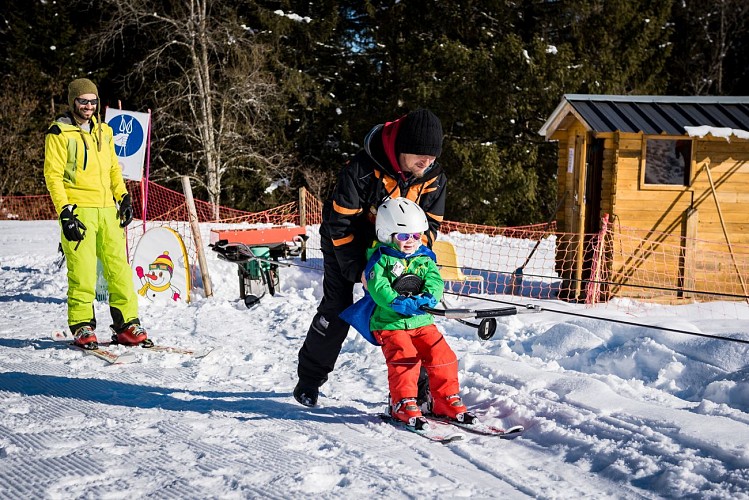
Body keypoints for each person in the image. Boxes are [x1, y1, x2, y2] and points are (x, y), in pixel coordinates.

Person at [295, 109, 447, 407]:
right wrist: (359, 270)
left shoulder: (434, 177)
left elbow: (431, 226)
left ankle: (417, 389)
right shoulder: (362, 169)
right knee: (337, 306)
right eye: (421, 155)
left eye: (432, 157)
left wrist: (415, 259)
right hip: (347, 241)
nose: (427, 163)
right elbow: (340, 224)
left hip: (402, 247)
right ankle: (310, 380)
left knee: (409, 312)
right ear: (403, 146)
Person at [44, 78, 150, 349]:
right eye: (83, 101)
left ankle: (127, 325)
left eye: (92, 101)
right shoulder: (59, 133)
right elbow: (53, 176)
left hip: (108, 211)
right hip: (79, 211)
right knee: (83, 271)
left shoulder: (104, 131)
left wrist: (123, 197)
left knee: (119, 269)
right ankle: (82, 326)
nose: (88, 106)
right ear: (73, 102)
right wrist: (65, 212)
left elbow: (114, 168)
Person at [360, 197, 475, 429]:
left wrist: (429, 296)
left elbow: (434, 279)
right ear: (386, 234)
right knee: (405, 357)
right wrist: (396, 301)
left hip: (421, 320)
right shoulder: (380, 259)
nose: (411, 241)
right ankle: (402, 403)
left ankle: (444, 400)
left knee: (443, 355)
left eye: (416, 235)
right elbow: (378, 287)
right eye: (403, 236)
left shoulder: (424, 257)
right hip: (391, 323)